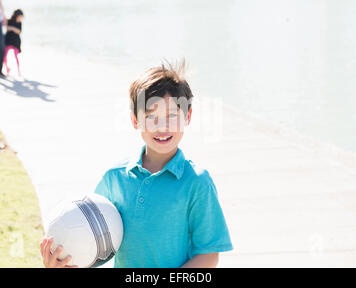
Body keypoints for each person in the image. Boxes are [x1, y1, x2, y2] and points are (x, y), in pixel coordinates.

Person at [40, 59, 233, 268]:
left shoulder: (197, 182)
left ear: (188, 116)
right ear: (135, 120)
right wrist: (66, 262)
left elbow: (209, 254)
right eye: (151, 117)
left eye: (172, 116)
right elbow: (94, 241)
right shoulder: (115, 178)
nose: (163, 127)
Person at [3, 9, 24, 76]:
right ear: (16, 16)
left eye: (21, 17)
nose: (21, 18)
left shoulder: (20, 23)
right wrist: (13, 28)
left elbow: (19, 31)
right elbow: (6, 27)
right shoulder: (9, 21)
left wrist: (12, 28)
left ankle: (18, 70)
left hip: (16, 41)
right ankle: (7, 68)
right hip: (8, 40)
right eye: (20, 17)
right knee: (5, 55)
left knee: (16, 55)